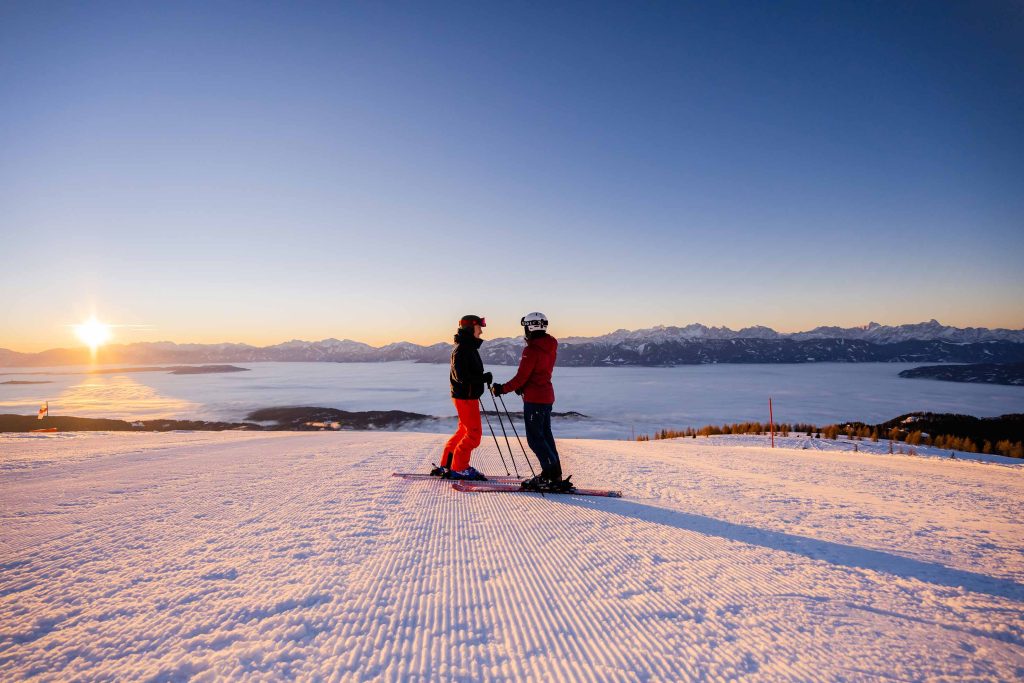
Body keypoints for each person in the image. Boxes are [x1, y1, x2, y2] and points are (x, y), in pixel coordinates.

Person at [491, 312, 571, 492]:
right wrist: (524, 386)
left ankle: (549, 476)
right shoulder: (550, 345)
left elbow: (521, 377)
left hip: (535, 400)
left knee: (535, 439)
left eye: (525, 326)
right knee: (546, 436)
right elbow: (538, 373)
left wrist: (501, 389)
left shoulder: (531, 350)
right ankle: (555, 474)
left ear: (531, 327)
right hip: (546, 396)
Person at [433, 314, 492, 480]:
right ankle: (459, 468)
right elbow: (462, 377)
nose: (481, 331)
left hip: (465, 396)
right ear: (470, 328)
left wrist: (481, 378)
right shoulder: (463, 349)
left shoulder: (467, 347)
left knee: (464, 430)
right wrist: (483, 378)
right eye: (479, 327)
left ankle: (448, 463)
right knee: (473, 434)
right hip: (465, 397)